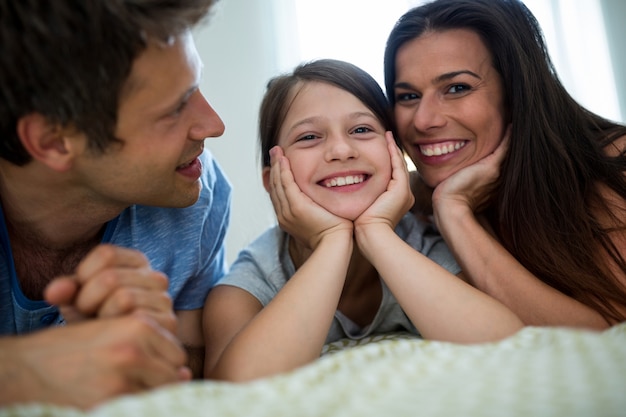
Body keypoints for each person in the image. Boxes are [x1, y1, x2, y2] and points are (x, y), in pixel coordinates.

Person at [202, 58, 523, 382]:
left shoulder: (423, 246)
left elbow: (506, 344)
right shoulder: (253, 283)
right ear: (274, 181)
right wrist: (331, 240)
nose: (341, 150)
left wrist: (375, 232)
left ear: (396, 156)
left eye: (361, 129)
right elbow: (236, 384)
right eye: (310, 137)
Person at [0, 0, 231, 409]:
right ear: (53, 141)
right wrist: (23, 370)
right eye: (177, 107)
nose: (214, 125)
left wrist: (153, 347)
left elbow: (200, 369)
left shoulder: (197, 193)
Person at [383, 0, 626, 328]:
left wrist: (453, 212)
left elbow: (608, 332)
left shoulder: (608, 164)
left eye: (457, 88)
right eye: (408, 96)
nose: (424, 121)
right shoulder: (407, 201)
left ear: (516, 93)